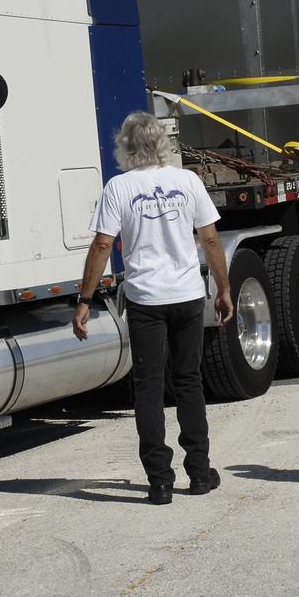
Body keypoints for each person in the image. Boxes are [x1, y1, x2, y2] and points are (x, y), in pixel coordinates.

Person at [72, 111, 235, 505]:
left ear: (124, 147)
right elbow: (211, 241)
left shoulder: (119, 187)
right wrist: (224, 289)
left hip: (146, 300)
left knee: (148, 386)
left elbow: (101, 245)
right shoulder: (188, 181)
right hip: (187, 296)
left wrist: (84, 300)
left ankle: (160, 481)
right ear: (163, 143)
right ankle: (199, 472)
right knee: (188, 381)